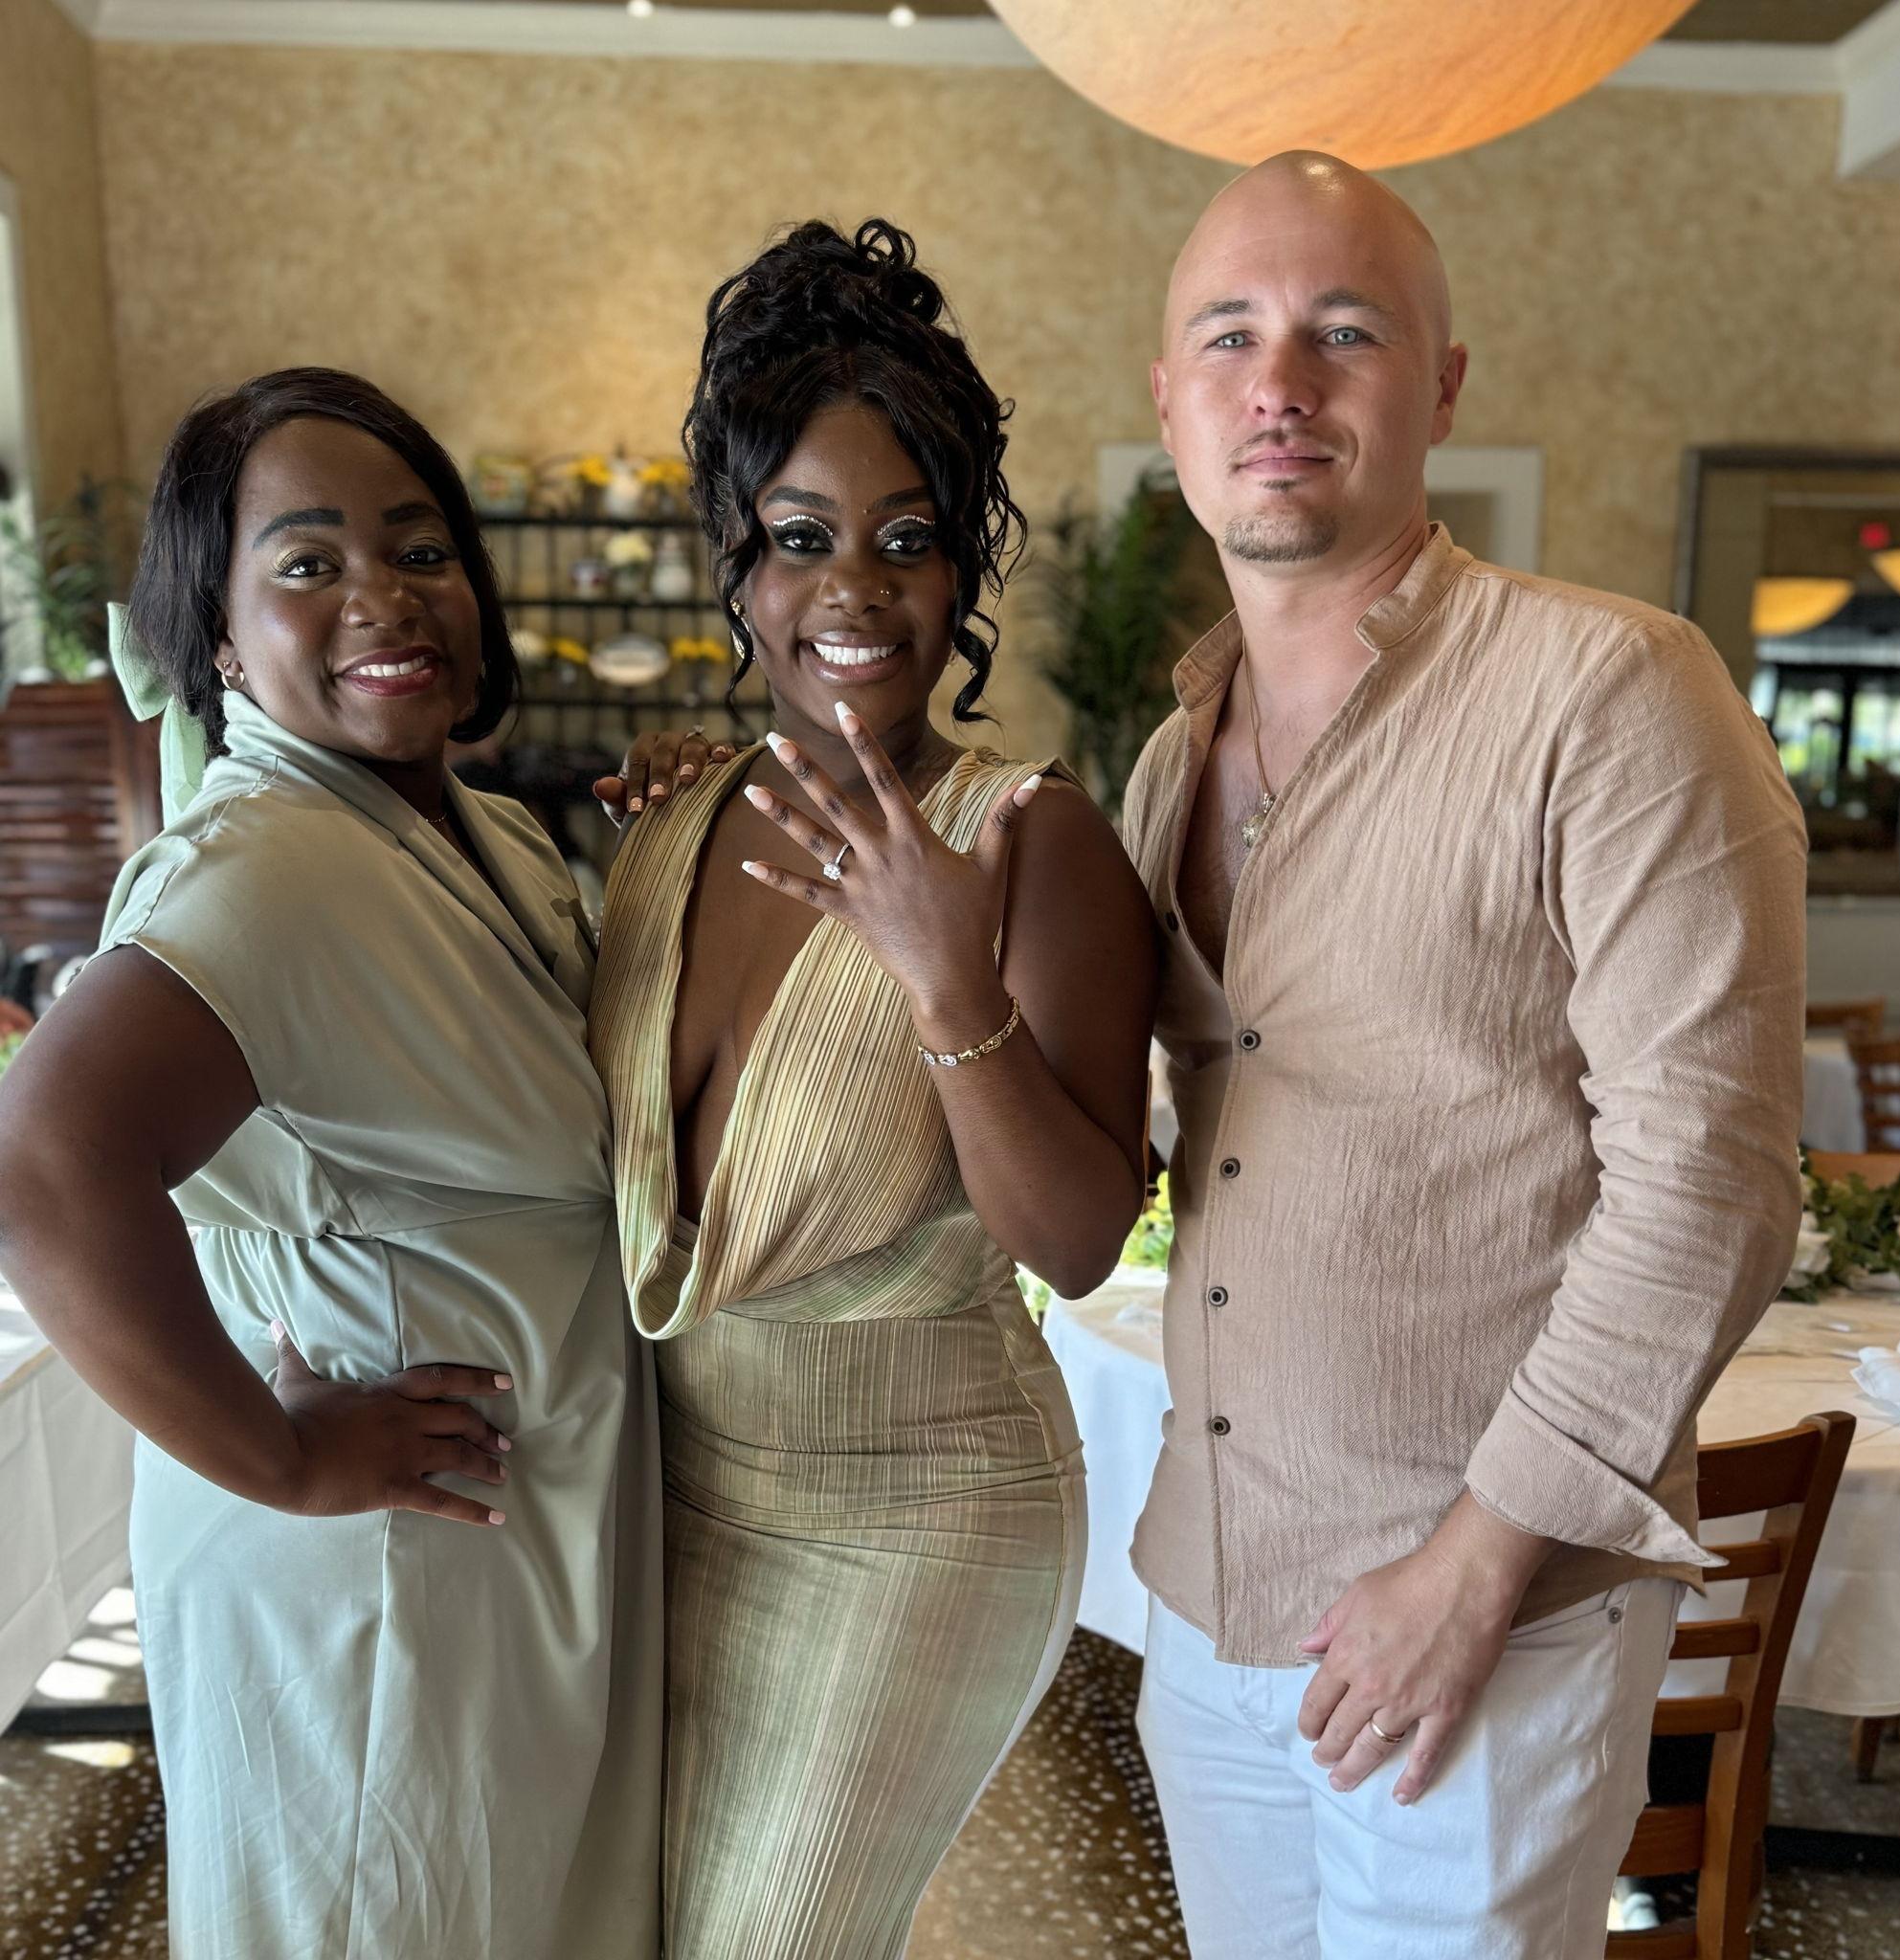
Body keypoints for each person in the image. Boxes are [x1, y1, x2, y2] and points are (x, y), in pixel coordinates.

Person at [1121, 153, 1807, 1958]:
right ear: (1169, 400)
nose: (1278, 384)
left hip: (1482, 1620)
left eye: (1342, 332)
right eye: (1229, 337)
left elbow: (1714, 1181)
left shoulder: (1612, 691)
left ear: (1438, 388)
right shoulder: (1167, 755)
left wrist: (1472, 1566)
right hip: (1208, 1595)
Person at [0, 369, 651, 1958]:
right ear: (220, 636)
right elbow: (43, 1166)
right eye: (307, 562)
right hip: (374, 1572)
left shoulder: (483, 833)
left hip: (500, 1542)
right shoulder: (262, 867)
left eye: (420, 549)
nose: (384, 594)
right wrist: (278, 1459)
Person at [588, 217, 1158, 1958]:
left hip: (920, 1510)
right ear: (735, 563)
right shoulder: (671, 824)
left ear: (962, 567)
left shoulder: (1032, 840)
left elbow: (1076, 1239)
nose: (853, 590)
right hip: (672, 1488)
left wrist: (945, 980)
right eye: (799, 537)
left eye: (907, 540)